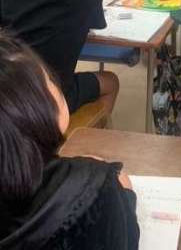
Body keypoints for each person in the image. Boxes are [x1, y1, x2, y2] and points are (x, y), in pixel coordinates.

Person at [0, 34, 139, 249]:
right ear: (33, 110)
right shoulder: (97, 191)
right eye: (50, 80)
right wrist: (126, 196)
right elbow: (124, 240)